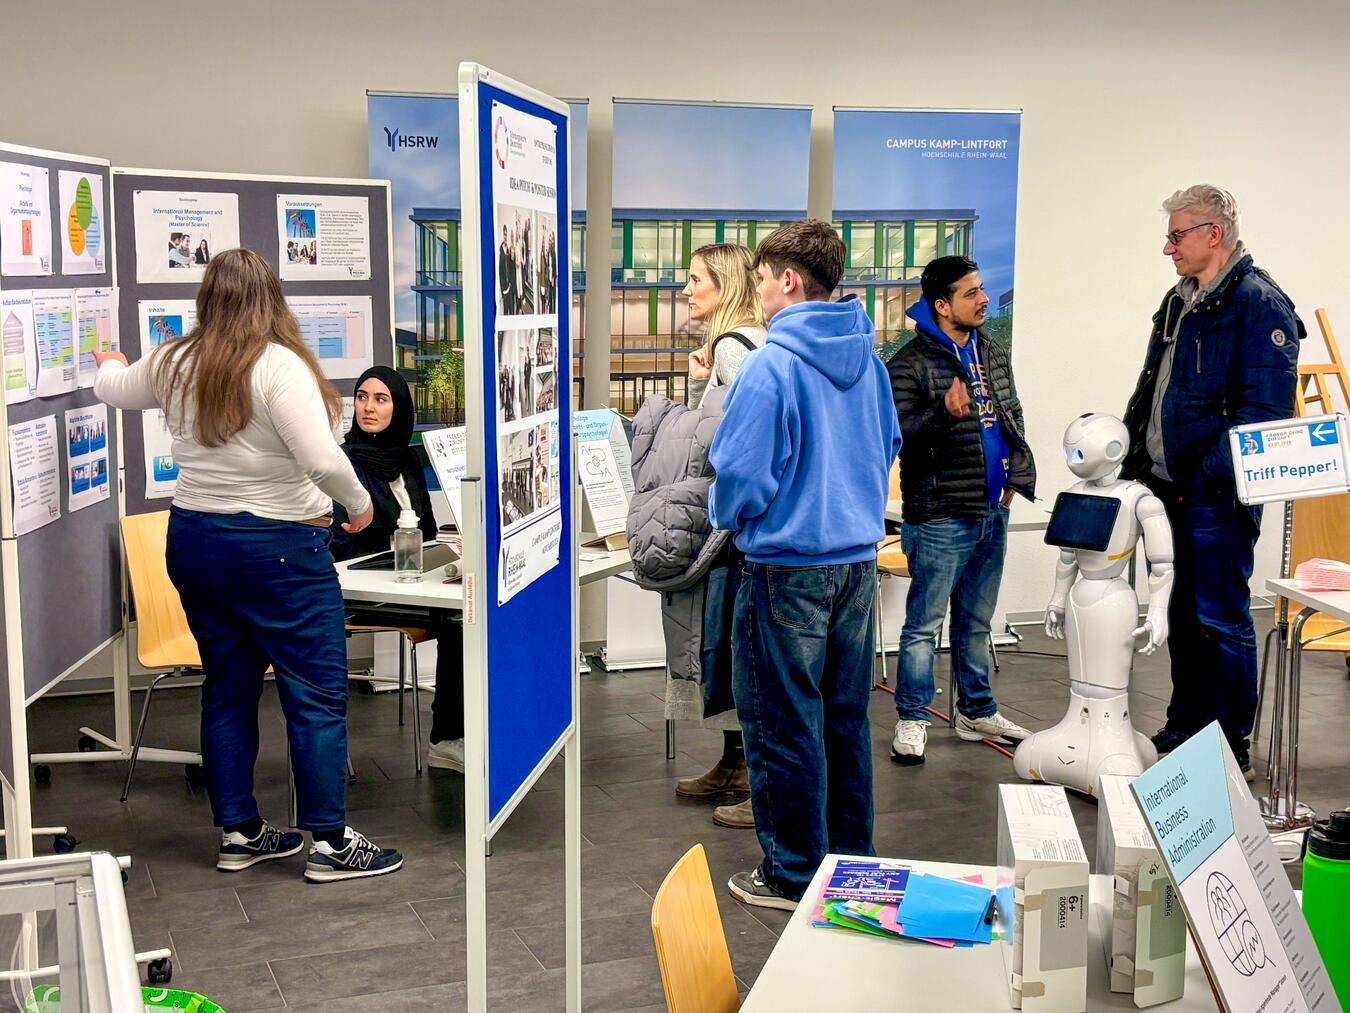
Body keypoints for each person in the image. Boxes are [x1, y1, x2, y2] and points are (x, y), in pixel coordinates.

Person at [93, 249, 402, 882]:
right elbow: (320, 459)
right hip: (278, 549)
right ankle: (330, 843)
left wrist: (110, 362)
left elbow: (112, 389)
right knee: (314, 693)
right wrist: (360, 503)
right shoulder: (278, 365)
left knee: (227, 687)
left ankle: (240, 833)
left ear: (207, 298)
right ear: (271, 299)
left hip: (195, 542)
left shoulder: (176, 359)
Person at [711, 220, 901, 910]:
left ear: (788, 280)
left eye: (760, 280)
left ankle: (793, 873)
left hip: (785, 569)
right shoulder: (871, 363)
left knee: (782, 725)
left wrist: (731, 515)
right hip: (856, 568)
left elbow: (737, 474)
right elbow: (887, 446)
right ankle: (851, 862)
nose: (756, 293)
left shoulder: (771, 366)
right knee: (843, 722)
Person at [1121, 185, 1302, 778]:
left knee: (1220, 617)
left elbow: (1263, 416)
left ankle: (1229, 744)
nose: (1167, 246)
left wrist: (1203, 475)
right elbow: (1155, 386)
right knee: (1180, 613)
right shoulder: (1179, 301)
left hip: (1216, 498)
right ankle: (1187, 722)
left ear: (1213, 234)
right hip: (1169, 489)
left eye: (1177, 235)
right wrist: (1137, 460)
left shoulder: (1257, 304)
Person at [886, 256, 1036, 765]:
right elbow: (897, 435)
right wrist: (940, 412)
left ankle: (976, 710)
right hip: (940, 514)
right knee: (923, 625)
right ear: (942, 305)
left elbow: (1011, 413)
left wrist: (1018, 471)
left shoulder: (990, 349)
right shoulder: (907, 364)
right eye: (971, 292)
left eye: (982, 288)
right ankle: (913, 717)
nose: (984, 298)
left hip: (992, 509)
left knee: (976, 620)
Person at [659, 244, 766, 831]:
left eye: (695, 279)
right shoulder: (753, 341)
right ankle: (733, 764)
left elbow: (726, 442)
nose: (686, 290)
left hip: (733, 526)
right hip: (749, 525)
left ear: (722, 286)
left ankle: (749, 770)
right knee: (726, 639)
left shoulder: (732, 347)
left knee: (724, 638)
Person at [331, 366, 467, 772]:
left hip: (412, 581)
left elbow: (422, 527)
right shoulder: (342, 462)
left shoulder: (407, 461)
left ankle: (469, 729)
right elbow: (341, 541)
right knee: (459, 622)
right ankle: (447, 739)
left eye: (380, 399)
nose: (368, 407)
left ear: (399, 408)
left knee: (472, 614)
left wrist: (446, 540)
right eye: (361, 397)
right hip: (359, 591)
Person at [498, 225, 516, 315]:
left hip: (510, 286)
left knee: (512, 310)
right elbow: (500, 272)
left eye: (506, 234)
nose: (505, 236)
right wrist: (503, 289)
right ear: (502, 235)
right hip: (504, 288)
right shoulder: (500, 250)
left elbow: (512, 268)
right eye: (504, 234)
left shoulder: (509, 250)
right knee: (505, 311)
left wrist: (511, 284)